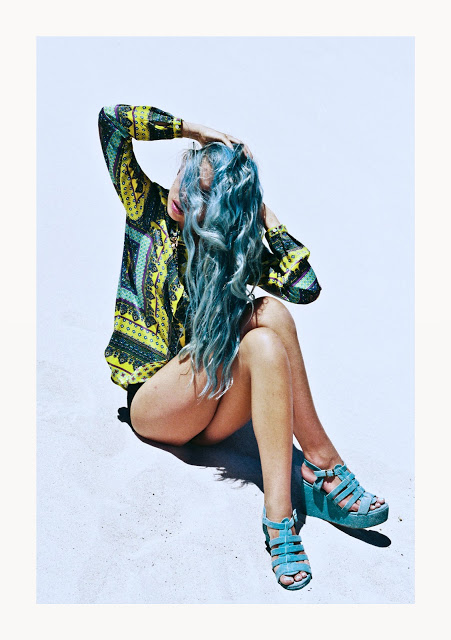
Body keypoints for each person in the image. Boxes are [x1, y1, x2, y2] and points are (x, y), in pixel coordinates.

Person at [98, 103, 389, 592]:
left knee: (271, 322)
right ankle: (300, 499)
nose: (184, 196)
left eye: (205, 195)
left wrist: (262, 215)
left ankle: (308, 479)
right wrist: (194, 130)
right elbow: (111, 122)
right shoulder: (145, 207)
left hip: (209, 416)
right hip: (155, 407)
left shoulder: (227, 250)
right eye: (188, 177)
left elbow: (305, 286)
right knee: (262, 326)